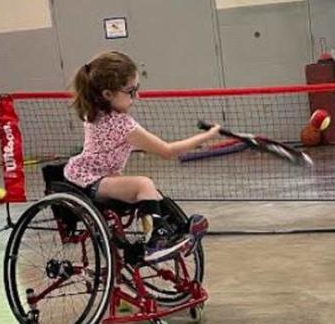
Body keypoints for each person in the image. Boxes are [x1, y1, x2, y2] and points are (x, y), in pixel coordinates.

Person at [65, 51, 221, 262]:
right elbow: (167, 151)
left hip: (96, 175)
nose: (137, 96)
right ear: (107, 94)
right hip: (90, 179)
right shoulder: (122, 124)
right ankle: (156, 242)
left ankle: (176, 231)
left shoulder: (94, 111)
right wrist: (206, 136)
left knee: (151, 193)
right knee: (144, 185)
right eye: (131, 91)